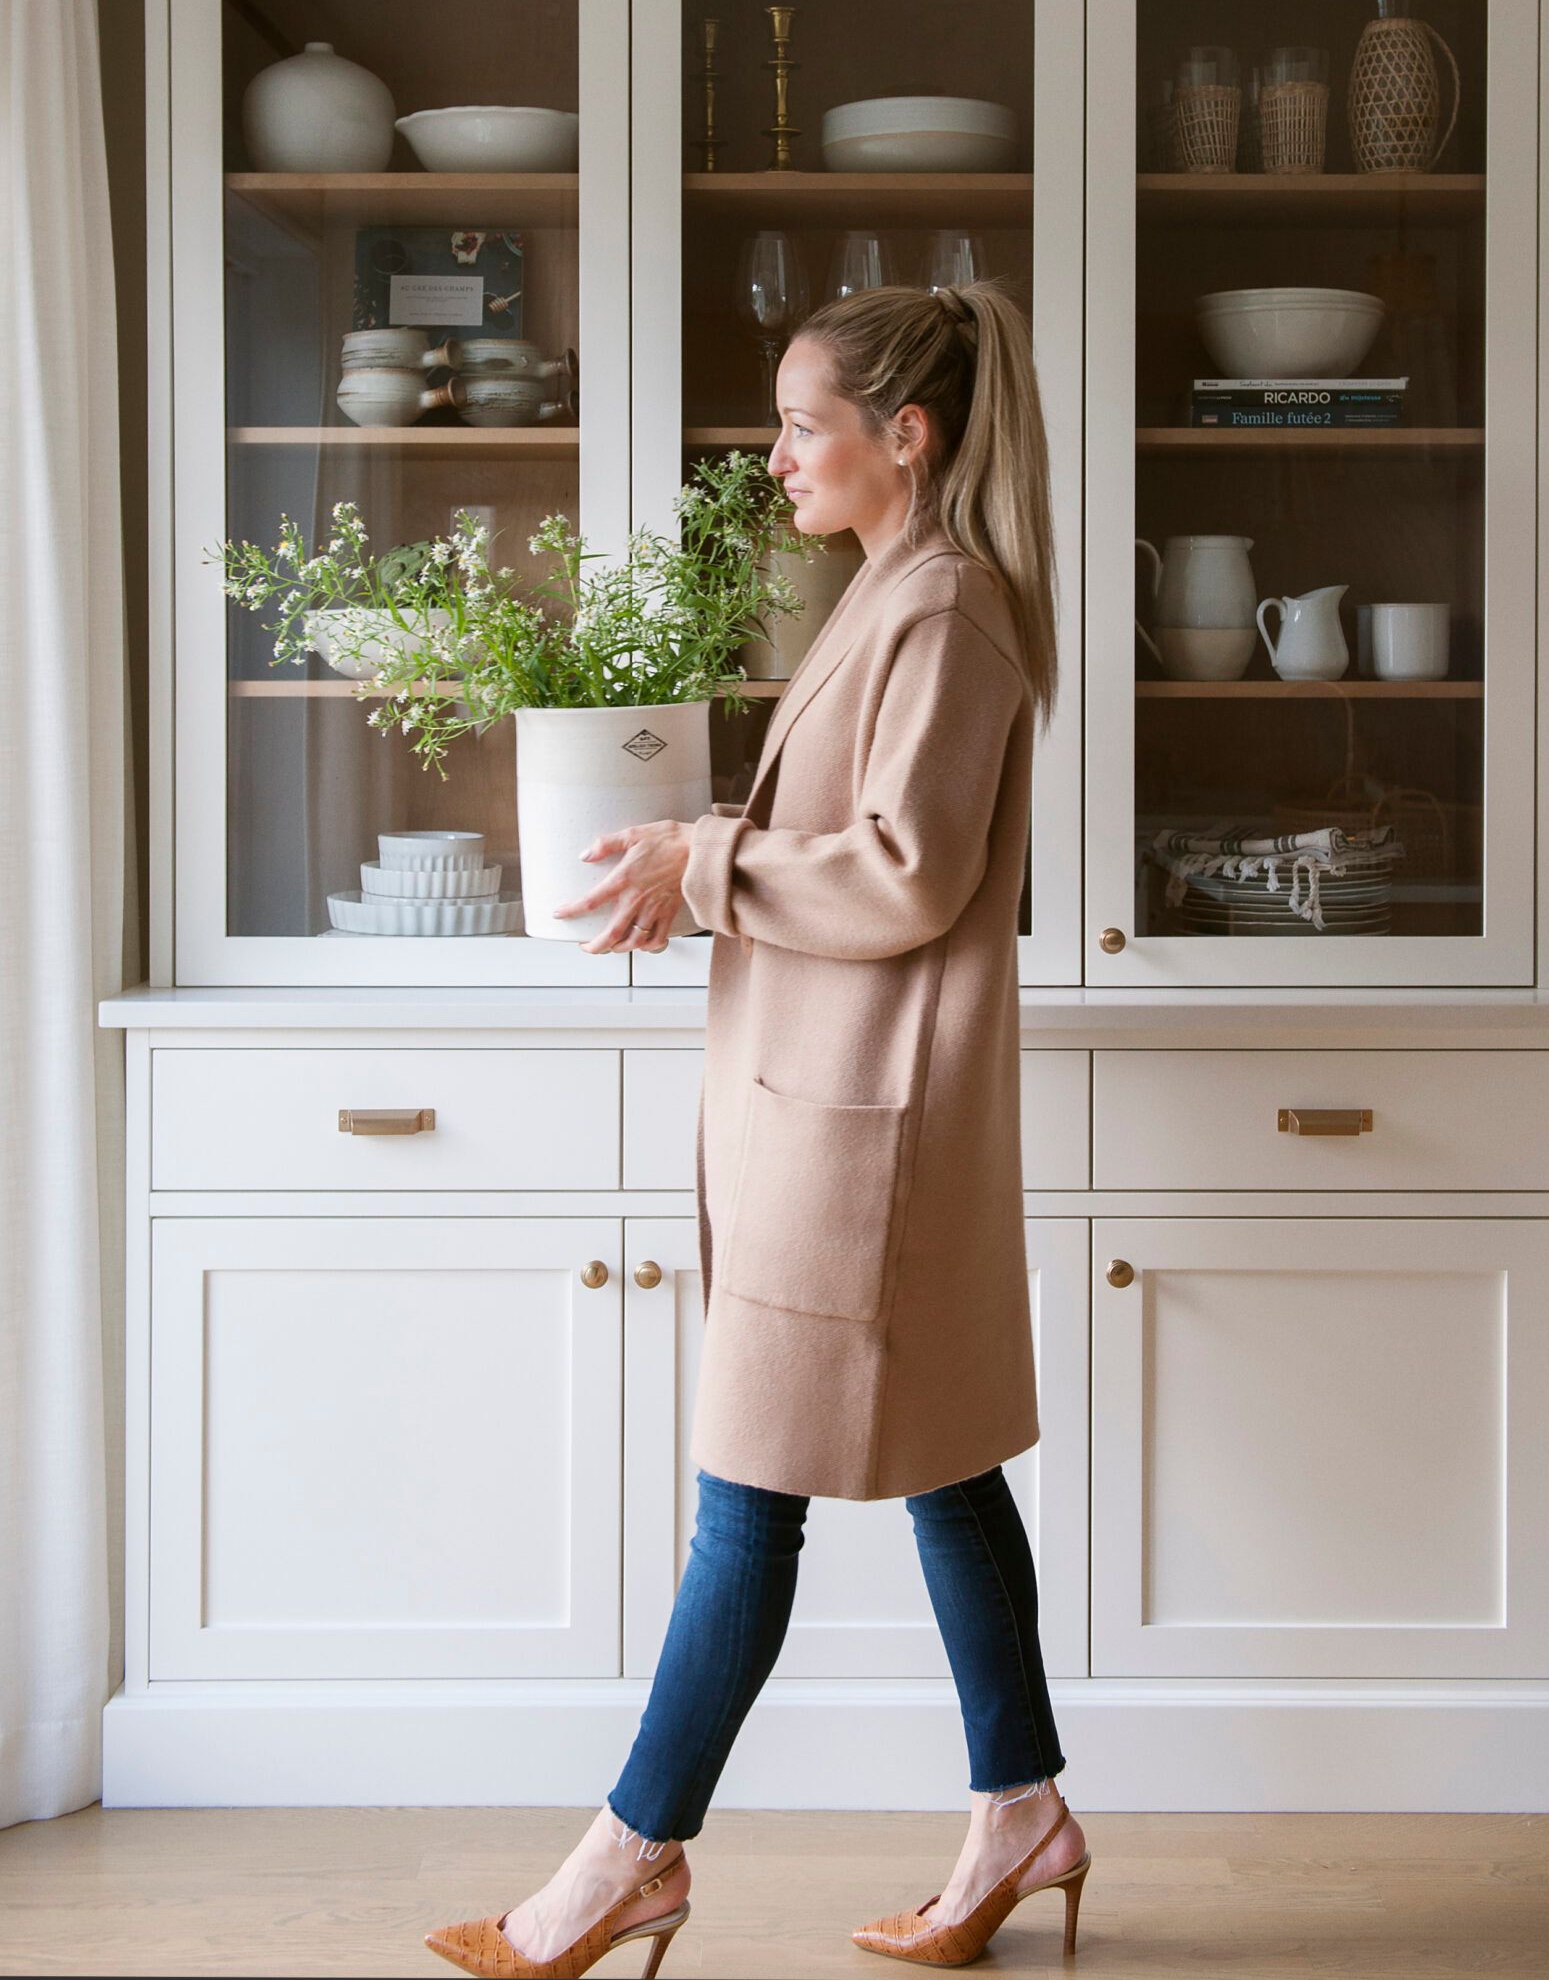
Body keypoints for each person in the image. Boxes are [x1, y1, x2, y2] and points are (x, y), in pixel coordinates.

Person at [426, 281, 1090, 1979]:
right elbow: (857, 829)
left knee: (747, 1502)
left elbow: (908, 869)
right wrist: (702, 842)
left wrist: (706, 866)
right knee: (947, 1473)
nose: (776, 451)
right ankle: (1023, 1809)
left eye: (803, 421)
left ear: (905, 436)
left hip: (857, 1133)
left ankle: (628, 1858)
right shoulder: (903, 591)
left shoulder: (942, 610)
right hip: (849, 1111)